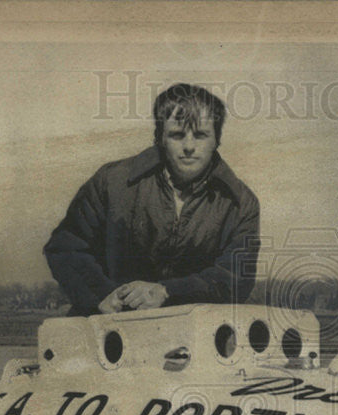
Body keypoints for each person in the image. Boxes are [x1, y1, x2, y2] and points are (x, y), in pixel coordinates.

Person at [44, 83, 260, 316]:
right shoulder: (112, 181)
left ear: (217, 139)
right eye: (177, 135)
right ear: (160, 138)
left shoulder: (241, 203)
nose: (189, 146)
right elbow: (65, 247)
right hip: (106, 326)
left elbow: (235, 278)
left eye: (200, 135)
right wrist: (101, 295)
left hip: (190, 333)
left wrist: (168, 292)